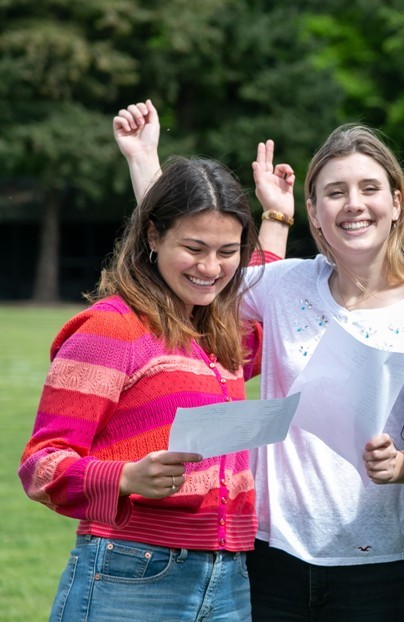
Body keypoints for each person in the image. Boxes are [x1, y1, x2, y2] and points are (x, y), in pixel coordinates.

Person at [117, 102, 404, 620]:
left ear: (397, 203)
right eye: (335, 192)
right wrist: (145, 163)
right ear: (313, 211)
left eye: (368, 189)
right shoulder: (284, 283)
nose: (353, 204)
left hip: (377, 562)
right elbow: (195, 256)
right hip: (269, 553)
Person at [19, 152, 262, 621]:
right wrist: (127, 478)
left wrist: (276, 214)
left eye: (227, 252)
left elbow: (277, 303)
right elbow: (41, 467)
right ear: (153, 235)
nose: (211, 268)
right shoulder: (111, 330)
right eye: (194, 248)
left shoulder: (221, 338)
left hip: (229, 579)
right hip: (132, 574)